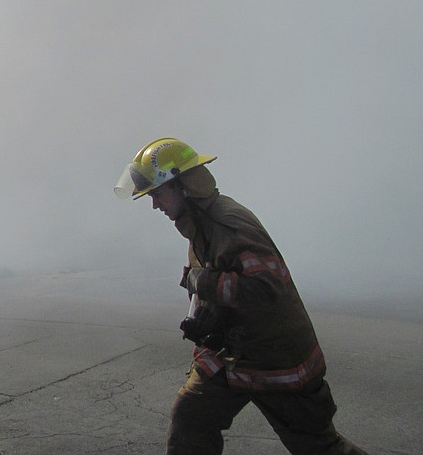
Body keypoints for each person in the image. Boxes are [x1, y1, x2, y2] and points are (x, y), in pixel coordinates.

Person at [114, 137, 369, 455]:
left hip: (276, 360)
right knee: (191, 418)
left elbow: (265, 288)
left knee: (317, 446)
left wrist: (202, 281)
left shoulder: (229, 225)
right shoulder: (199, 227)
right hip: (231, 355)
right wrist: (202, 319)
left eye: (157, 194)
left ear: (183, 186)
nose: (155, 205)